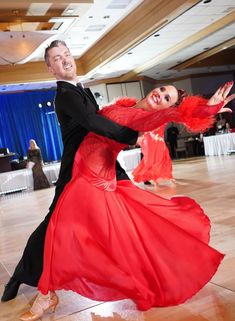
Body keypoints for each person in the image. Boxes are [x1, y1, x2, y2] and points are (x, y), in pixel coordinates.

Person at [18, 82, 235, 320]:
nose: (160, 95)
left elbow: (175, 114)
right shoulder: (127, 104)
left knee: (62, 231)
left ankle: (47, 294)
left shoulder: (145, 118)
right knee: (71, 232)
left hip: (94, 181)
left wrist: (206, 110)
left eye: (166, 99)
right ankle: (51, 292)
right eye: (162, 90)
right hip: (83, 174)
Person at [1, 40, 139, 303]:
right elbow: (93, 122)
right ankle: (20, 275)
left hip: (102, 163)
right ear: (50, 69)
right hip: (77, 171)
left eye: (66, 54)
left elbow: (104, 121)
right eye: (56, 58)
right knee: (54, 224)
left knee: (132, 203)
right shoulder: (66, 95)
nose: (64, 60)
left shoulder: (82, 90)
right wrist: (130, 136)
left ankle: (136, 264)